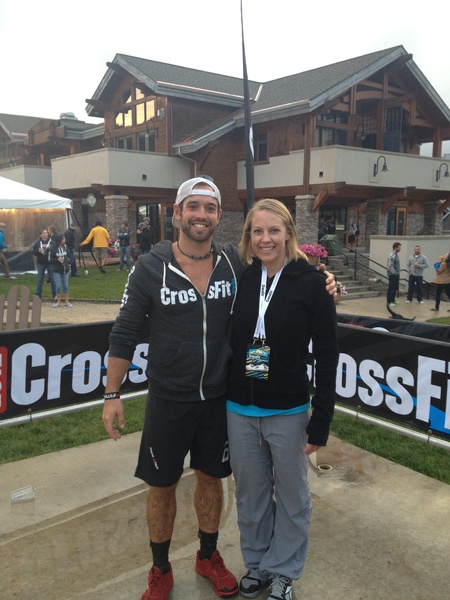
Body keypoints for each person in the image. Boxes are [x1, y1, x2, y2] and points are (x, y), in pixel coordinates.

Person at [102, 177, 337, 600]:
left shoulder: (233, 264)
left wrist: (325, 280)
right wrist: (111, 394)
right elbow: (124, 333)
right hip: (176, 399)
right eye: (193, 207)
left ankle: (211, 556)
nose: (201, 215)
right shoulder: (152, 267)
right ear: (177, 212)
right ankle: (162, 568)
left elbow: (291, 293)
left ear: (218, 216)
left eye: (209, 208)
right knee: (168, 487)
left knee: (215, 481)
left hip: (221, 399)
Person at [226, 199, 339, 600]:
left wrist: (322, 418)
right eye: (257, 231)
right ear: (249, 236)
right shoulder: (244, 278)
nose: (265, 239)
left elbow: (327, 354)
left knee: (293, 497)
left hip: (288, 410)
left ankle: (283, 571)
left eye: (274, 230)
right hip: (239, 409)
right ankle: (258, 562)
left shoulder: (312, 282)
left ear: (289, 232)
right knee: (250, 495)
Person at [49, 233, 72, 307]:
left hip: (65, 269)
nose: (65, 240)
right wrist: (57, 259)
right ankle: (58, 302)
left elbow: (69, 256)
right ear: (59, 240)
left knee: (66, 286)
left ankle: (67, 302)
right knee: (58, 286)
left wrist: (67, 261)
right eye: (63, 238)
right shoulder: (53, 249)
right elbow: (50, 260)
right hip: (56, 270)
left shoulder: (65, 247)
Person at [33, 228, 56, 299]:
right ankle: (38, 294)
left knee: (52, 279)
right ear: (41, 235)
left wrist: (50, 249)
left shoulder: (51, 242)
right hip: (41, 263)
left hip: (50, 263)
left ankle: (55, 295)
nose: (45, 234)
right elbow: (34, 252)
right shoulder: (37, 243)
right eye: (43, 233)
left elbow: (55, 251)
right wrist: (38, 250)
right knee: (40, 279)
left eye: (46, 233)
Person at [387, 241, 402, 307]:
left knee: (395, 288)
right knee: (392, 288)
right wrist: (394, 273)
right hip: (393, 275)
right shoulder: (392, 255)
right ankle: (389, 302)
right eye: (399, 247)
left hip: (396, 274)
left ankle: (393, 300)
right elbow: (390, 266)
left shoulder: (396, 254)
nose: (400, 249)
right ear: (395, 248)